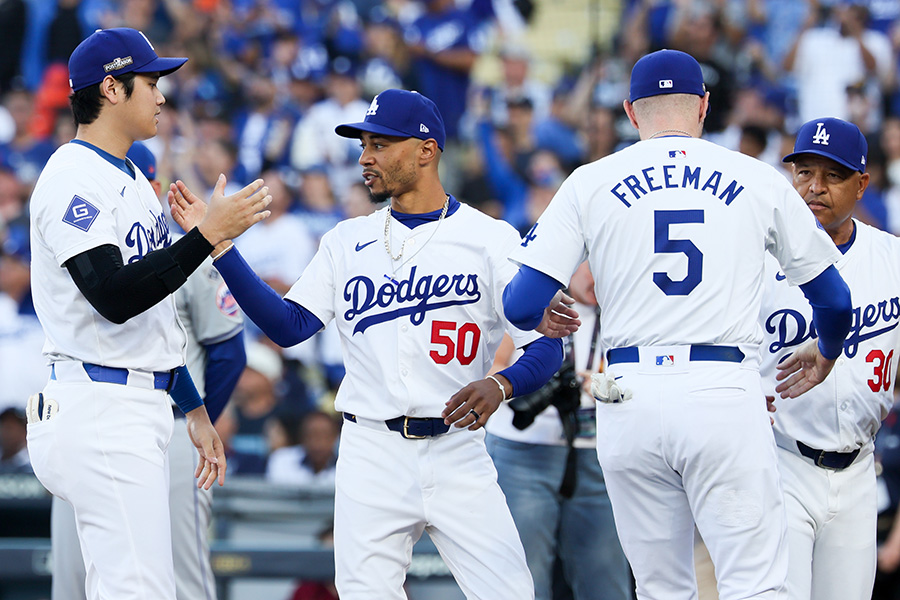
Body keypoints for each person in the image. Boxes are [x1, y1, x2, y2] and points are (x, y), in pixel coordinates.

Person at [169, 88, 579, 600]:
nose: (365, 158)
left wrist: (502, 383)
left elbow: (546, 346)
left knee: (511, 594)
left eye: (381, 145)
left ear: (426, 151)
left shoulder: (490, 238)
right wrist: (221, 248)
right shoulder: (346, 240)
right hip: (371, 450)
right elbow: (290, 326)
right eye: (363, 145)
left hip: (458, 451)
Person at [501, 49, 854, 599]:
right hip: (720, 389)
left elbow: (521, 303)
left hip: (628, 394)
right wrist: (828, 351)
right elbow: (833, 298)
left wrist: (543, 310)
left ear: (631, 111)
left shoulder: (591, 180)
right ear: (704, 106)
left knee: (662, 589)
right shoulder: (754, 176)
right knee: (756, 584)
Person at [25, 28, 269, 600]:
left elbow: (154, 319)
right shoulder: (71, 176)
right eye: (151, 82)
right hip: (101, 402)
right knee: (141, 591)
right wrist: (207, 235)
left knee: (134, 587)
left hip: (136, 399)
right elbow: (111, 296)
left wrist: (195, 409)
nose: (161, 95)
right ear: (111, 88)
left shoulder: (133, 177)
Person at [49, 141, 248, 600]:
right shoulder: (75, 245)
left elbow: (228, 353)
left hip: (172, 425)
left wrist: (192, 421)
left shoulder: (187, 255)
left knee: (179, 577)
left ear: (154, 185)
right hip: (85, 411)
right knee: (74, 575)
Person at [758, 117, 900, 600]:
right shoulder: (756, 261)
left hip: (860, 468)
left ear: (862, 184)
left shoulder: (891, 258)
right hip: (781, 462)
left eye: (833, 176)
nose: (814, 188)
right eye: (803, 173)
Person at [485, 261, 631, 600]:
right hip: (525, 449)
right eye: (592, 266)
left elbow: (640, 382)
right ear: (572, 260)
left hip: (597, 451)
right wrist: (533, 380)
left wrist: (596, 384)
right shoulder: (535, 302)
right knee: (521, 576)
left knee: (606, 577)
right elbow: (493, 365)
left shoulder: (625, 308)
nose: (599, 277)